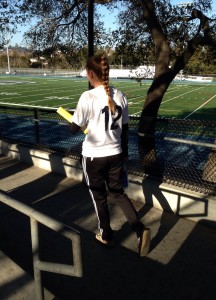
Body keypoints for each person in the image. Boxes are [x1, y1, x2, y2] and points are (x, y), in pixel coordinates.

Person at [70, 53, 151, 257]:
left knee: (99, 198)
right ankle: (140, 229)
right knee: (118, 194)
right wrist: (123, 152)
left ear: (90, 74)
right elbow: (124, 129)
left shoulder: (87, 97)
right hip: (115, 154)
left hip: (94, 157)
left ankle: (106, 234)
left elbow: (73, 128)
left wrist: (76, 121)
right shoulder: (120, 95)